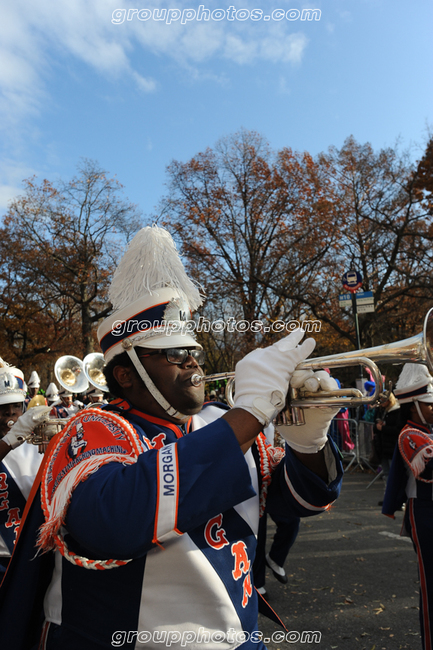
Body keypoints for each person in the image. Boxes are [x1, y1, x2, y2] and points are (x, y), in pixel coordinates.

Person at [0, 226, 343, 650]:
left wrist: (310, 445)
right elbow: (115, 521)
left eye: (193, 351)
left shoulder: (222, 424)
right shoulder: (91, 429)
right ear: (125, 374)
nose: (193, 363)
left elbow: (301, 504)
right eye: (174, 354)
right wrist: (250, 412)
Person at [383, 363, 433, 650]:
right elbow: (428, 470)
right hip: (426, 513)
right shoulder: (408, 434)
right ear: (413, 405)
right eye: (428, 404)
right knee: (431, 586)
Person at [0, 363, 50, 575]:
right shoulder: (14, 438)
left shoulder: (36, 441)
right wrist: (11, 439)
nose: (11, 413)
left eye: (16, 406)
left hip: (37, 553)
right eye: (2, 409)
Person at [372, 388, 401, 505]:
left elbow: (398, 429)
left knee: (394, 475)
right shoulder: (381, 411)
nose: (382, 404)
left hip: (392, 446)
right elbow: (375, 426)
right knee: (386, 474)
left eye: (384, 401)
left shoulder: (396, 412)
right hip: (383, 447)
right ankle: (388, 498)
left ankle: (396, 499)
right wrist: (378, 426)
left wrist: (383, 428)